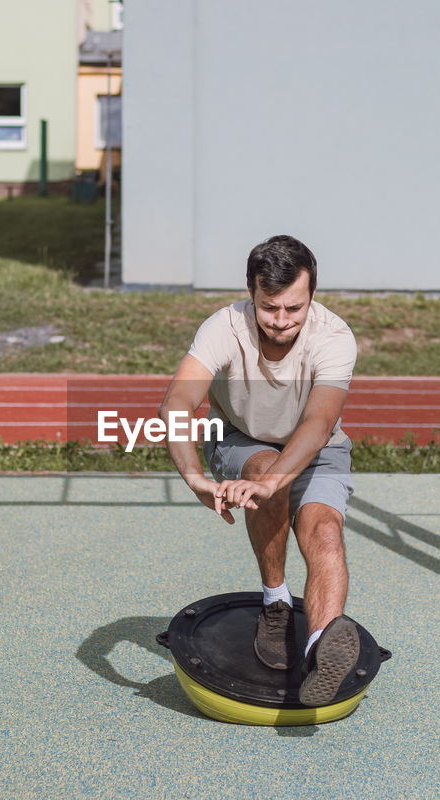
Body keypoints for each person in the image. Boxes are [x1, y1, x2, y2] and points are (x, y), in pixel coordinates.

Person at [158, 234, 360, 707]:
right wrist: (194, 478)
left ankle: (320, 648)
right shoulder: (224, 326)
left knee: (325, 531)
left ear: (312, 295)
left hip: (315, 445)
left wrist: (272, 481)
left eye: (295, 308)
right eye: (271, 308)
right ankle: (275, 602)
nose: (283, 321)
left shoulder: (333, 336)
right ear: (252, 293)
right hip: (239, 438)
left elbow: (319, 422)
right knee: (267, 470)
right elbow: (178, 403)